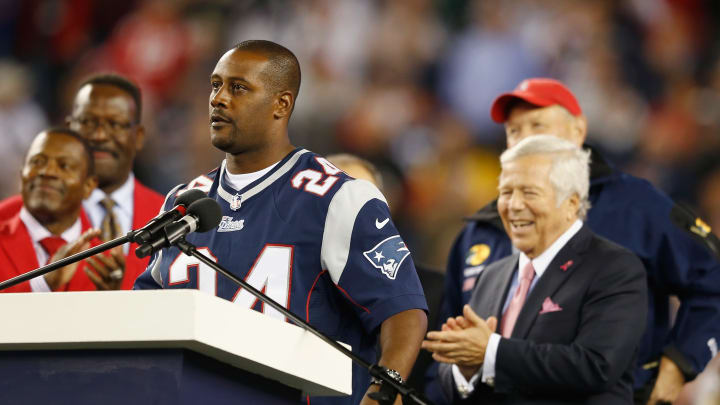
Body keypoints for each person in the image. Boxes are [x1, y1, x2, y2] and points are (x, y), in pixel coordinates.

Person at [133, 40, 428, 405]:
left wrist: (386, 391)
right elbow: (147, 314)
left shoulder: (338, 197)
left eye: (238, 87)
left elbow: (402, 309)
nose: (219, 98)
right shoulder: (185, 203)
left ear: (281, 104)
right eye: (215, 85)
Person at [434, 78, 720, 405]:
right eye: (514, 131)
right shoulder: (481, 231)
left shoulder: (636, 206)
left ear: (578, 130)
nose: (525, 140)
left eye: (537, 125)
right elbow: (449, 348)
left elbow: (712, 277)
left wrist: (679, 365)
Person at [423, 135, 648, 404]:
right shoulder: (493, 275)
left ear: (571, 203)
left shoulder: (615, 268)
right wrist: (465, 368)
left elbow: (596, 366)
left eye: (529, 192)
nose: (513, 205)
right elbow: (461, 382)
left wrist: (490, 351)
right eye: (506, 192)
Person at [327, 153, 446, 395]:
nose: (350, 212)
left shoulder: (435, 292)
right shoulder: (284, 279)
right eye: (335, 199)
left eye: (361, 201)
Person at [67, 74, 165, 289]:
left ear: (138, 136)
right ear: (70, 129)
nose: (100, 135)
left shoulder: (169, 217)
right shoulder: (24, 218)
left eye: (115, 124)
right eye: (88, 122)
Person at [0, 128, 101, 293]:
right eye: (37, 162)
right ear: (21, 175)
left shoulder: (105, 260)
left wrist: (116, 296)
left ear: (89, 186)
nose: (47, 172)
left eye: (64, 166)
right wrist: (43, 283)